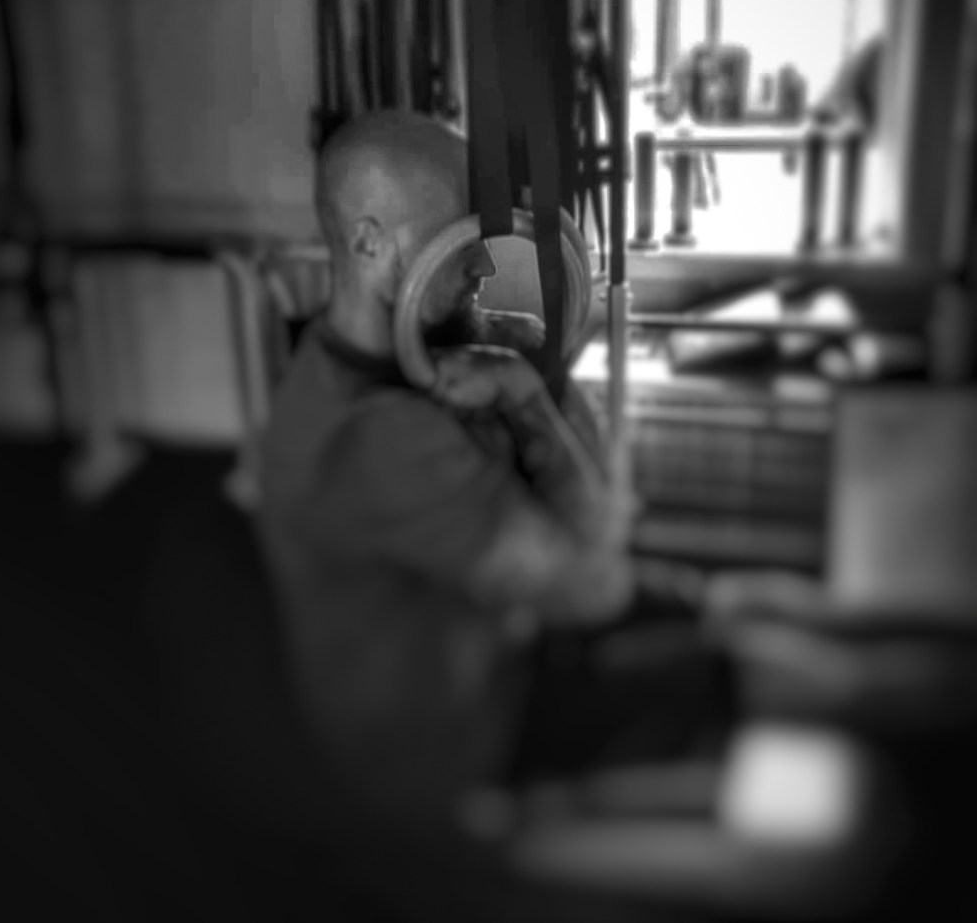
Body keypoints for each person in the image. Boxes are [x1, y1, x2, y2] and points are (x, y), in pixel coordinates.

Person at [256, 109, 729, 836]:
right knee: (735, 667)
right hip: (461, 742)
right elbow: (594, 588)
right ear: (371, 243)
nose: (483, 266)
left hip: (506, 642)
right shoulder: (379, 437)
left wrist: (531, 386)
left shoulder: (423, 350)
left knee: (715, 604)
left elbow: (603, 513)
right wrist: (529, 400)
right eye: (458, 239)